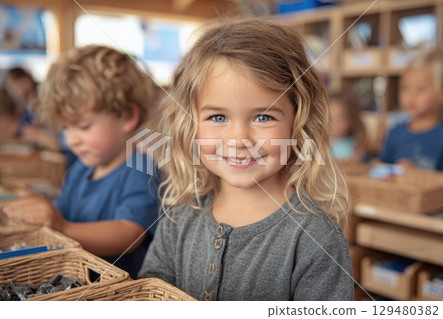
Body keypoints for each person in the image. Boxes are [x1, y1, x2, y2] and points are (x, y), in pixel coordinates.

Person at [138, 18, 353, 301]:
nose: (239, 140)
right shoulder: (179, 216)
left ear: (299, 123)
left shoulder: (316, 239)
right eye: (218, 117)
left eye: (263, 117)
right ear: (191, 125)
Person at [3, 45, 161, 278]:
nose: (70, 139)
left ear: (127, 116)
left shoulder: (141, 169)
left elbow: (128, 234)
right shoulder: (78, 170)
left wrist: (62, 227)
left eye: (83, 126)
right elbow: (60, 213)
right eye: (65, 127)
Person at [380, 49, 443, 171]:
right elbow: (383, 171)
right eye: (405, 87)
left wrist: (417, 175)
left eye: (421, 89)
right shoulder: (394, 133)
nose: (410, 96)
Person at [328, 90, 366, 159]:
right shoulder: (317, 144)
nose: (334, 125)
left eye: (341, 119)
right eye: (330, 119)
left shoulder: (355, 146)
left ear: (352, 120)